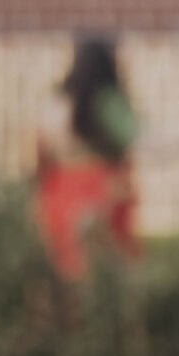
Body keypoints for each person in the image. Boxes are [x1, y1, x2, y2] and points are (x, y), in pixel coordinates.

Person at [32, 34, 144, 282]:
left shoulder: (56, 104)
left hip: (61, 191)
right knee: (108, 269)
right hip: (103, 190)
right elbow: (137, 141)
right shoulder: (110, 104)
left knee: (67, 267)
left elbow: (41, 152)